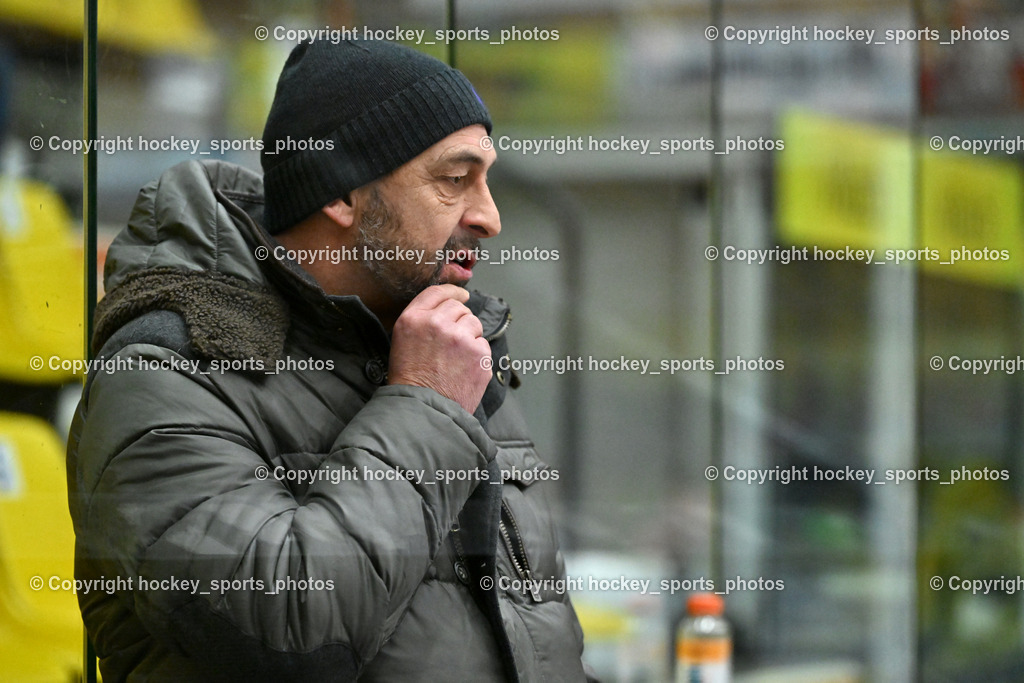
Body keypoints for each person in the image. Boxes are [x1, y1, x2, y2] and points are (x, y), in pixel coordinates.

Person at [67, 39, 591, 681]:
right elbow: (290, 628)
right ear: (342, 194)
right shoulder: (172, 366)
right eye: (455, 181)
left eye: (487, 181)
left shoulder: (447, 346)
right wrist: (425, 405)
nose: (490, 217)